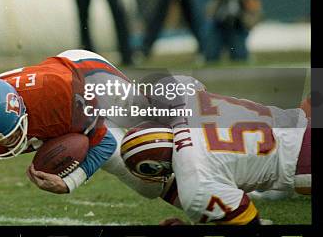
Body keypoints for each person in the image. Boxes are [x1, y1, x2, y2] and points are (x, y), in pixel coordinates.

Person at [0, 50, 167, 216]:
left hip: (84, 76)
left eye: (11, 134)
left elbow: (104, 141)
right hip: (67, 113)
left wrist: (70, 182)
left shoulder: (56, 98)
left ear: (22, 113)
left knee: (156, 135)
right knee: (148, 185)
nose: (7, 143)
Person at [119, 76, 311, 225]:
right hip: (301, 121)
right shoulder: (179, 99)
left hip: (301, 165)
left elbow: (248, 218)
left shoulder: (194, 181)